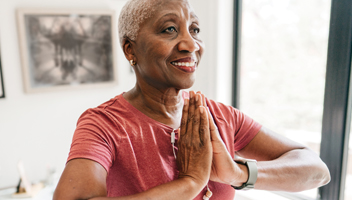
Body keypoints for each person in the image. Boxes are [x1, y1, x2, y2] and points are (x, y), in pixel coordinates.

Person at [53, 0, 331, 199]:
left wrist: (236, 174)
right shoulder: (103, 124)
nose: (191, 45)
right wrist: (190, 183)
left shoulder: (219, 115)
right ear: (130, 49)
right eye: (169, 29)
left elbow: (317, 170)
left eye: (195, 30)